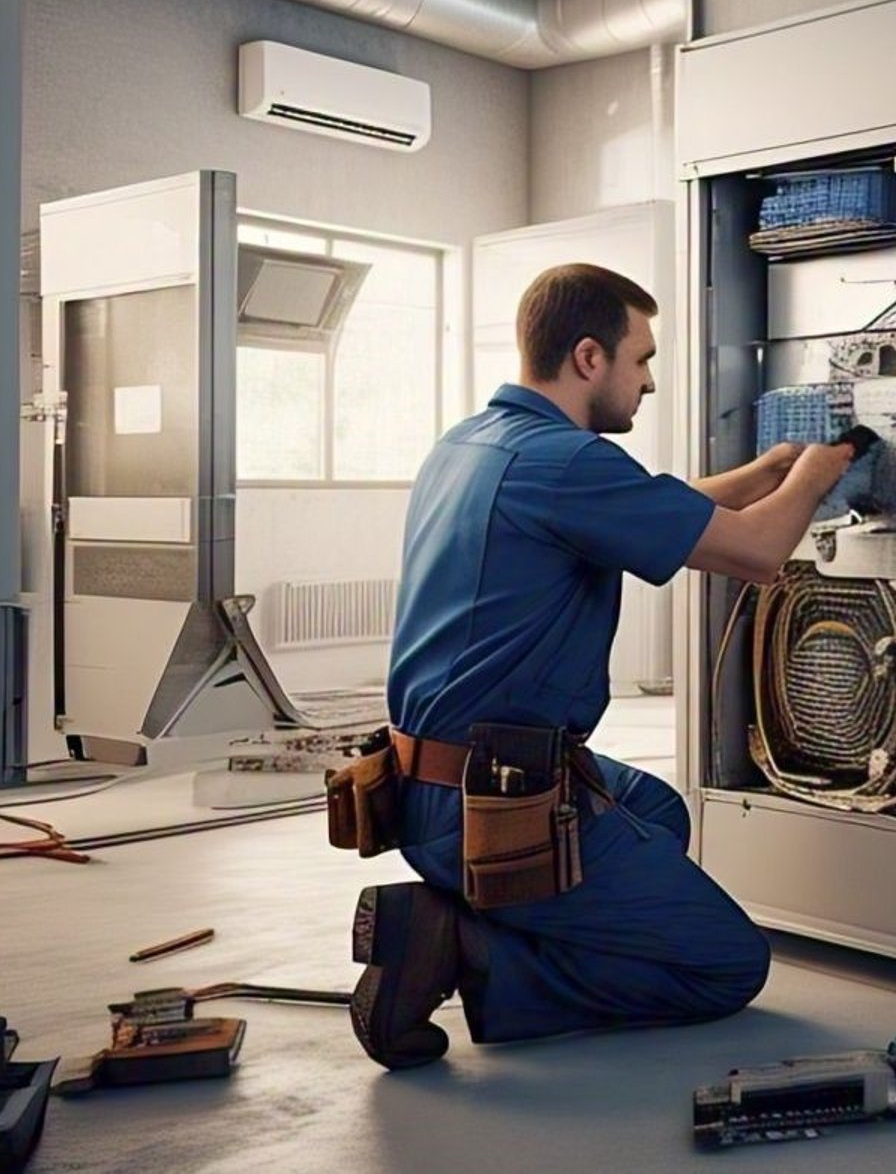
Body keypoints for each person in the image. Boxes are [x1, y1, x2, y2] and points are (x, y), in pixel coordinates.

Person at [350, 261, 857, 1069]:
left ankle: (481, 915)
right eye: (641, 358)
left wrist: (762, 478)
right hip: (492, 806)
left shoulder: (478, 442)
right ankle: (462, 946)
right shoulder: (567, 463)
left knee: (658, 812)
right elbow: (761, 553)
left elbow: (639, 503)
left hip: (427, 785)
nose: (648, 381)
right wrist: (818, 474)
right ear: (590, 357)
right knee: (727, 964)